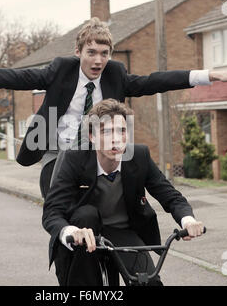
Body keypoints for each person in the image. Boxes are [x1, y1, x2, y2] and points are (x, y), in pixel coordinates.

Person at [0, 17, 227, 199]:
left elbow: (155, 81)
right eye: (91, 52)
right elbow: (14, 76)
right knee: (61, 204)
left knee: (113, 208)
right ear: (79, 51)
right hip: (55, 150)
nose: (98, 60)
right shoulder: (60, 69)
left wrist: (210, 75)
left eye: (104, 53)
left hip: (98, 154)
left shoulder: (116, 73)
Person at [42, 98, 204, 286]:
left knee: (148, 283)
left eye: (121, 131)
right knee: (87, 215)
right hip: (84, 234)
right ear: (92, 137)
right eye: (106, 132)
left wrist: (188, 220)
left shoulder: (139, 156)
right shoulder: (75, 159)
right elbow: (52, 211)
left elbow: (170, 196)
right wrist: (71, 231)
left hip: (123, 232)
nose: (115, 138)